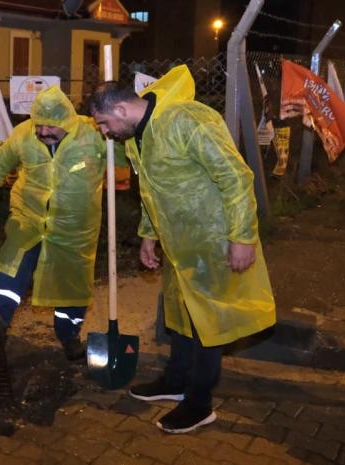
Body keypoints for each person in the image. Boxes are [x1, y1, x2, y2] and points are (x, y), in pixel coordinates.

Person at [88, 65, 276, 434]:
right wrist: (148, 235)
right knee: (181, 316)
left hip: (214, 242)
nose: (105, 133)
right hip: (180, 246)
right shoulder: (137, 137)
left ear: (122, 109)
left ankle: (199, 403)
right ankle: (175, 383)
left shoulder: (188, 119)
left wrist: (241, 237)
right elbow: (151, 192)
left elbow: (236, 176)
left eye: (104, 124)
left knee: (210, 324)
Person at [0, 86, 112, 360]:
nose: (43, 132)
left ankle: (69, 336)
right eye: (39, 125)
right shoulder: (23, 134)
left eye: (51, 127)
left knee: (72, 284)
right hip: (29, 216)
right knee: (12, 262)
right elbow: (0, 163)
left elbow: (128, 148)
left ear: (67, 123)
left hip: (74, 226)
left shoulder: (94, 135)